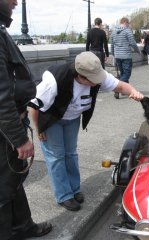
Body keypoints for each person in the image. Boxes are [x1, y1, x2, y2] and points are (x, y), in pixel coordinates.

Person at [29, 52, 144, 212]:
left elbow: (121, 86)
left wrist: (133, 91)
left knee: (71, 153)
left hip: (72, 118)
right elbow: (34, 106)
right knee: (56, 157)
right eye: (92, 80)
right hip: (51, 119)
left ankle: (74, 190)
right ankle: (63, 195)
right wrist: (38, 128)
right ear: (80, 76)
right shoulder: (54, 81)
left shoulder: (97, 77)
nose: (96, 83)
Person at [0, 0, 53, 239]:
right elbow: (1, 97)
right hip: (5, 130)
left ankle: (23, 226)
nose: (15, 1)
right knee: (3, 189)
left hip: (10, 123)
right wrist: (19, 139)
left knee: (14, 178)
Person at [111, 17, 141, 99]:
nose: (129, 25)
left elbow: (112, 45)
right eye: (128, 23)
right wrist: (138, 51)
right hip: (126, 55)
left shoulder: (113, 32)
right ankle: (117, 89)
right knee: (126, 74)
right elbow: (133, 43)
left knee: (122, 73)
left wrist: (114, 54)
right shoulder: (127, 31)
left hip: (117, 56)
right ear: (125, 22)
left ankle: (124, 90)